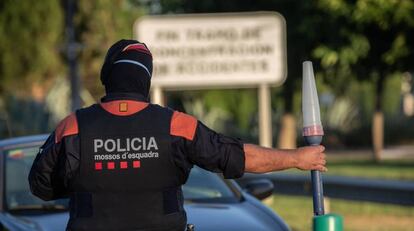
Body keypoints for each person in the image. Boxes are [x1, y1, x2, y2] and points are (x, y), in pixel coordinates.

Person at [29, 39, 327, 231]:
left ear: (108, 77)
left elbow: (39, 184)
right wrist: (298, 158)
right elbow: (239, 157)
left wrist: (88, 185)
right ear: (145, 80)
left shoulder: (73, 127)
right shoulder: (176, 125)